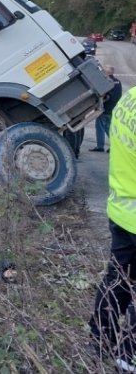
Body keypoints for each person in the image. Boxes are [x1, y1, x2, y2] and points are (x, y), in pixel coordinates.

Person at [89, 84, 136, 371]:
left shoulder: (130, 98)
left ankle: (100, 339)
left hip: (122, 212)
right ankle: (129, 358)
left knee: (118, 281)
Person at [91, 66, 122, 152]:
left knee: (100, 127)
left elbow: (101, 94)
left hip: (105, 108)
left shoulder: (107, 82)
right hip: (114, 108)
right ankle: (114, 146)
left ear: (107, 73)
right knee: (109, 128)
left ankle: (100, 146)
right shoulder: (118, 82)